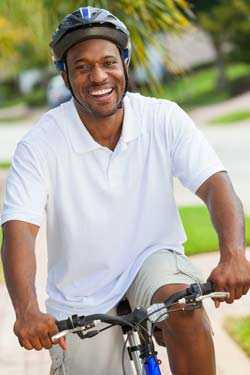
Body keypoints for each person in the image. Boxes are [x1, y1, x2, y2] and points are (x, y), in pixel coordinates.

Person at [1, 6, 250, 375]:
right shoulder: (40, 143)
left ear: (125, 65)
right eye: (82, 67)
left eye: (108, 62)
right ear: (65, 77)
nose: (98, 75)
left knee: (184, 309)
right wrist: (27, 311)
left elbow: (216, 185)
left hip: (153, 262)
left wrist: (234, 254)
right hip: (81, 291)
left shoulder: (162, 117)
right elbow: (19, 228)